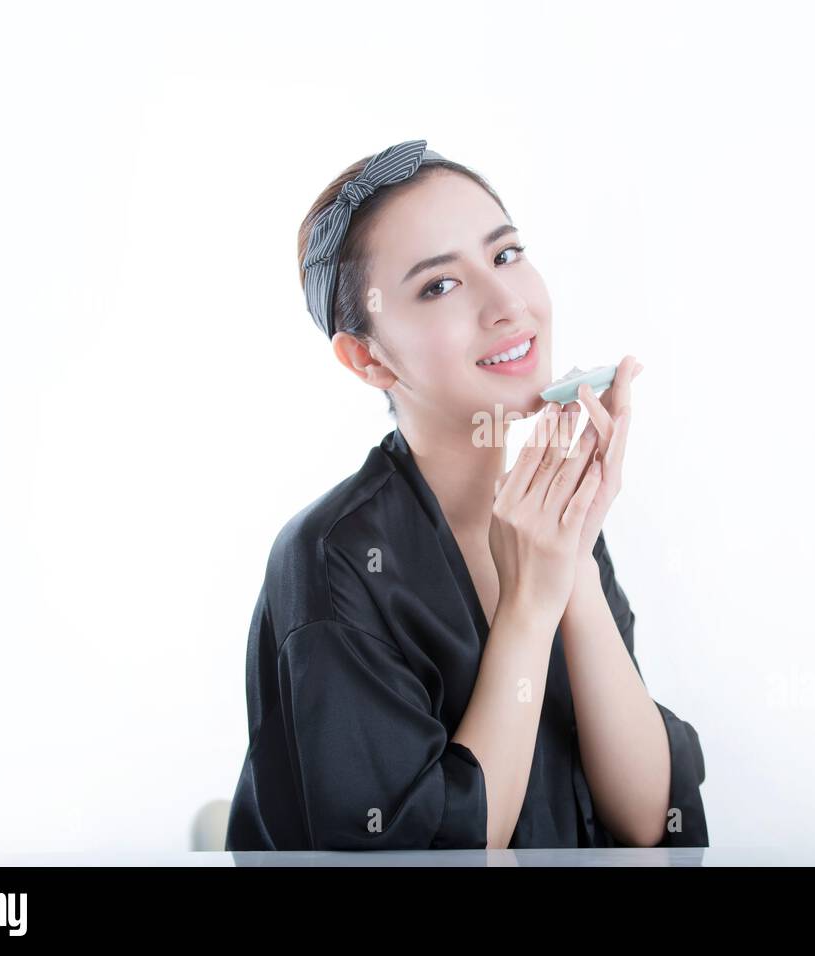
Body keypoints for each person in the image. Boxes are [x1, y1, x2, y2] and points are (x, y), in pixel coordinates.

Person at [224, 140, 708, 851]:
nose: (508, 303)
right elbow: (428, 861)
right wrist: (528, 607)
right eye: (439, 285)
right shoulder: (333, 564)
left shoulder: (545, 512)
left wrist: (571, 562)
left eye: (506, 254)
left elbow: (647, 823)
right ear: (367, 356)